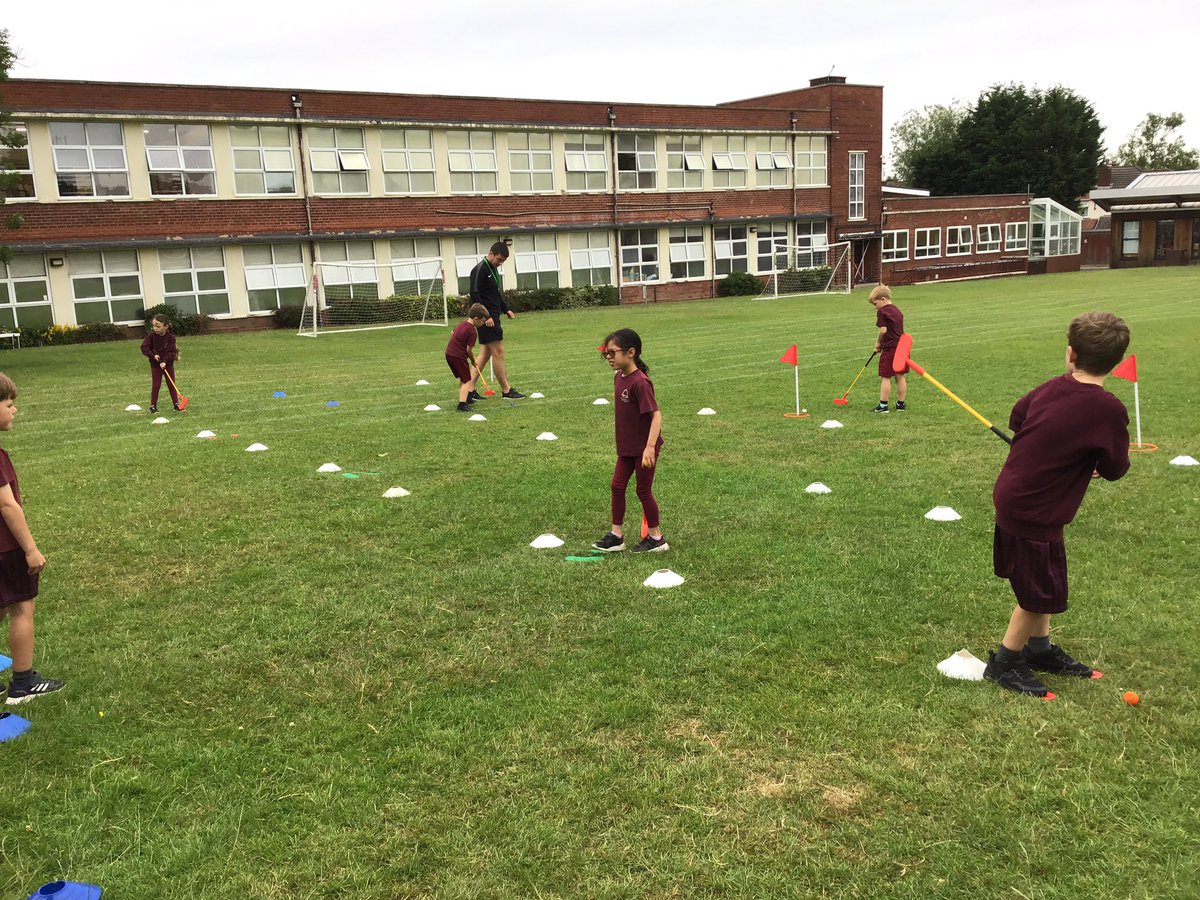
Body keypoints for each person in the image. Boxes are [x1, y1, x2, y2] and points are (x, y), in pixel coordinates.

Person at [983, 311, 1131, 698]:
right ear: (1115, 363)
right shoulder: (1109, 409)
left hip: (1023, 497)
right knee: (1039, 594)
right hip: (1034, 506)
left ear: (1070, 354)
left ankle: (1039, 649)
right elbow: (1116, 468)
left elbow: (1019, 417)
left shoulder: (1051, 387)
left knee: (1043, 578)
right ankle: (1004, 661)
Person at [0, 373, 63, 705]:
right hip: (6, 548)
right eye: (9, 405)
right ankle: (22, 684)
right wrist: (31, 549)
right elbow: (7, 506)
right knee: (21, 607)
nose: (14, 411)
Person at [592, 329, 668, 554]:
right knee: (617, 486)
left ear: (631, 353)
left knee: (643, 491)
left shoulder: (641, 382)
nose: (609, 357)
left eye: (613, 353)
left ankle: (657, 538)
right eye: (606, 353)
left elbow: (656, 416)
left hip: (644, 449)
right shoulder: (619, 377)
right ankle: (617, 536)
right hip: (626, 447)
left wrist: (650, 447)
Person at [469, 241, 525, 400]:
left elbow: (495, 293)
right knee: (498, 352)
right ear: (491, 254)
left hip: (494, 316)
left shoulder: (492, 270)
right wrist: (485, 317)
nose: (500, 263)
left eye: (503, 261)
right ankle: (506, 390)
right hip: (487, 319)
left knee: (485, 354)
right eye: (499, 260)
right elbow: (475, 295)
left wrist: (505, 308)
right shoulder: (480, 269)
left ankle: (469, 389)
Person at [868, 285, 906, 413]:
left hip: (890, 348)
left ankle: (883, 406)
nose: (875, 307)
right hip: (902, 346)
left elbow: (883, 330)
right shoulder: (897, 310)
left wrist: (878, 343)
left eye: (875, 303)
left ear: (883, 299)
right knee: (899, 376)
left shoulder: (882, 311)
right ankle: (901, 405)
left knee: (886, 376)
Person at [446, 303, 490, 412]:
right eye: (482, 321)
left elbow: (452, 333)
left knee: (463, 377)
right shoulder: (472, 331)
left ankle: (466, 398)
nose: (483, 323)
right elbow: (468, 350)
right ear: (476, 319)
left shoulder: (462, 323)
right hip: (458, 356)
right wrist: (473, 361)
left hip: (449, 354)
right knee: (466, 381)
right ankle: (462, 405)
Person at [140, 313, 181, 413]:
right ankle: (153, 406)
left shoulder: (171, 338)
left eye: (158, 326)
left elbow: (171, 352)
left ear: (166, 326)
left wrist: (164, 361)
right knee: (156, 385)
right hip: (155, 365)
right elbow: (144, 347)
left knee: (171, 384)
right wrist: (153, 355)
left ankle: (176, 404)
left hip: (168, 364)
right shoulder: (151, 336)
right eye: (154, 326)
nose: (155, 328)